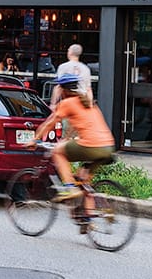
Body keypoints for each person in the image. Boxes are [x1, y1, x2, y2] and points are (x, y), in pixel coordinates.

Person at [30, 73, 115, 202]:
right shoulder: (87, 102)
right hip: (108, 147)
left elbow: (49, 122)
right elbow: (76, 124)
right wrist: (67, 138)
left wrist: (35, 139)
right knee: (83, 181)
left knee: (57, 151)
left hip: (92, 146)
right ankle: (88, 218)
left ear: (62, 89)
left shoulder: (67, 103)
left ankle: (70, 188)